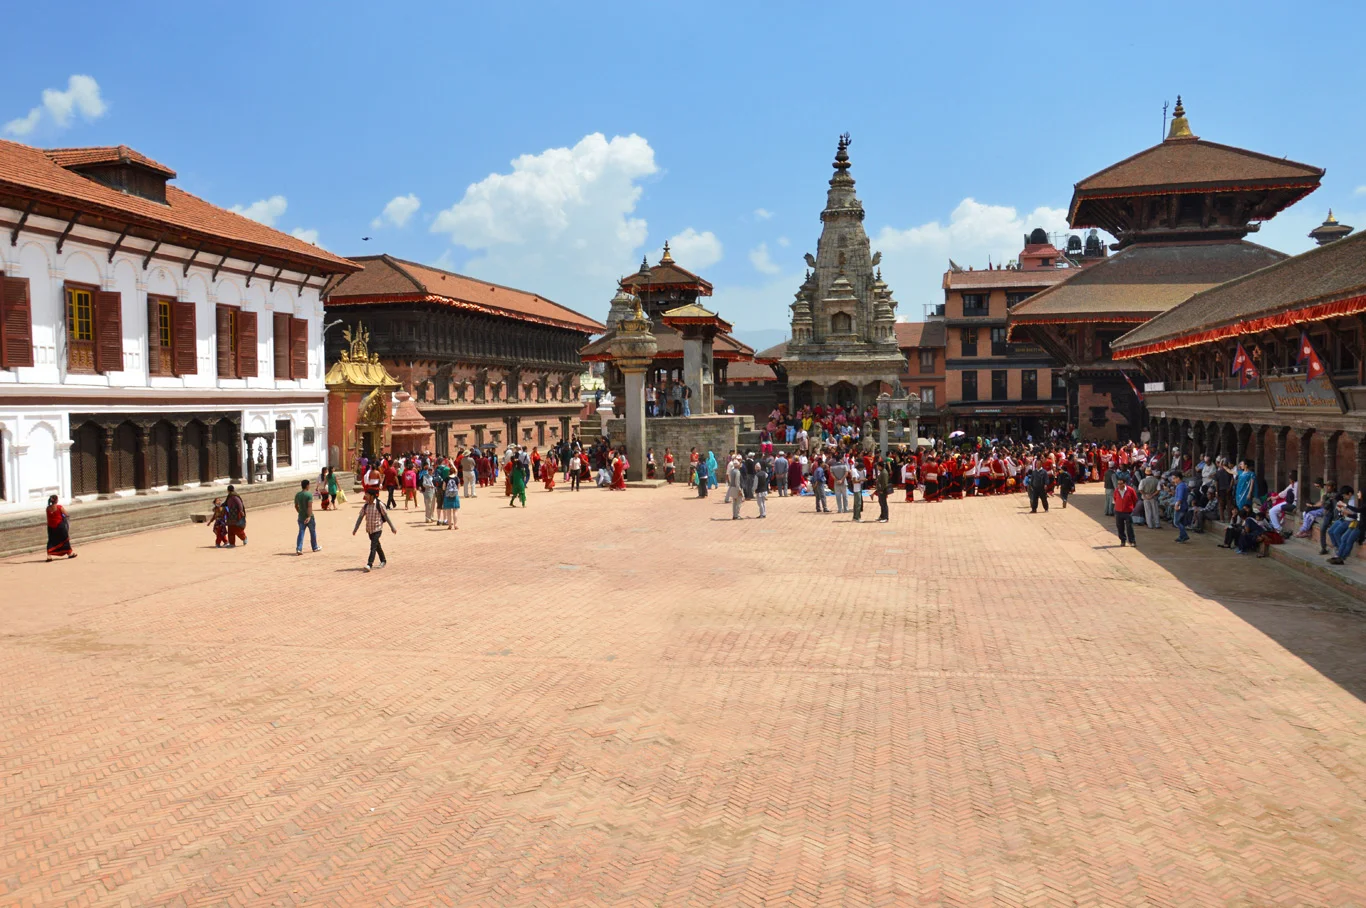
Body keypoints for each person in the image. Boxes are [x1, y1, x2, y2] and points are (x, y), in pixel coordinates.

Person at [352, 489, 396, 572]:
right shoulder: (365, 506)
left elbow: (386, 517)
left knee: (373, 546)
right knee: (377, 545)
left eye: (367, 495)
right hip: (369, 529)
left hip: (377, 529)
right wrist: (355, 529)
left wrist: (392, 527)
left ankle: (369, 564)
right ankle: (383, 560)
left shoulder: (379, 505)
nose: (365, 496)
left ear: (372, 496)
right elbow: (360, 518)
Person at [44, 495, 76, 561]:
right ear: (56, 500)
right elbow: (66, 514)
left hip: (51, 527)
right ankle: (69, 553)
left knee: (51, 540)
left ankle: (49, 556)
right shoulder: (59, 507)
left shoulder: (47, 508)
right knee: (65, 539)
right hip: (60, 526)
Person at [294, 479, 321, 555]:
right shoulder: (309, 495)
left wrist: (299, 512)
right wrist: (309, 516)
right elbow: (309, 506)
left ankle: (299, 548)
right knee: (312, 532)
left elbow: (296, 506)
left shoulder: (298, 495)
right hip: (309, 517)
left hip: (301, 517)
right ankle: (315, 547)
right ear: (307, 486)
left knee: (301, 532)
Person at [1112, 474, 1138, 547]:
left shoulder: (1130, 490)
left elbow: (1135, 499)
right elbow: (1115, 499)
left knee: (1129, 527)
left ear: (1124, 483)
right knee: (1120, 527)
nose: (1119, 485)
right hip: (1118, 511)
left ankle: (1132, 541)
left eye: (1121, 484)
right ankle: (1123, 540)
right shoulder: (1116, 491)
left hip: (1128, 511)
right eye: (1118, 484)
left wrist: (1131, 508)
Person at [1172, 471, 1190, 543]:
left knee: (1177, 522)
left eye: (1174, 478)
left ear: (1178, 478)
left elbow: (1180, 497)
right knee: (1180, 522)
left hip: (1181, 506)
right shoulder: (1182, 485)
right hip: (1183, 505)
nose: (1173, 480)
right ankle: (1181, 536)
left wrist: (1177, 505)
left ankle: (1184, 535)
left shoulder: (1180, 486)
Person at [850, 457, 865, 522]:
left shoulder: (856, 471)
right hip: (856, 489)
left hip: (858, 488)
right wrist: (862, 480)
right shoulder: (854, 472)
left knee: (856, 503)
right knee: (858, 504)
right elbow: (854, 481)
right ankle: (857, 517)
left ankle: (855, 517)